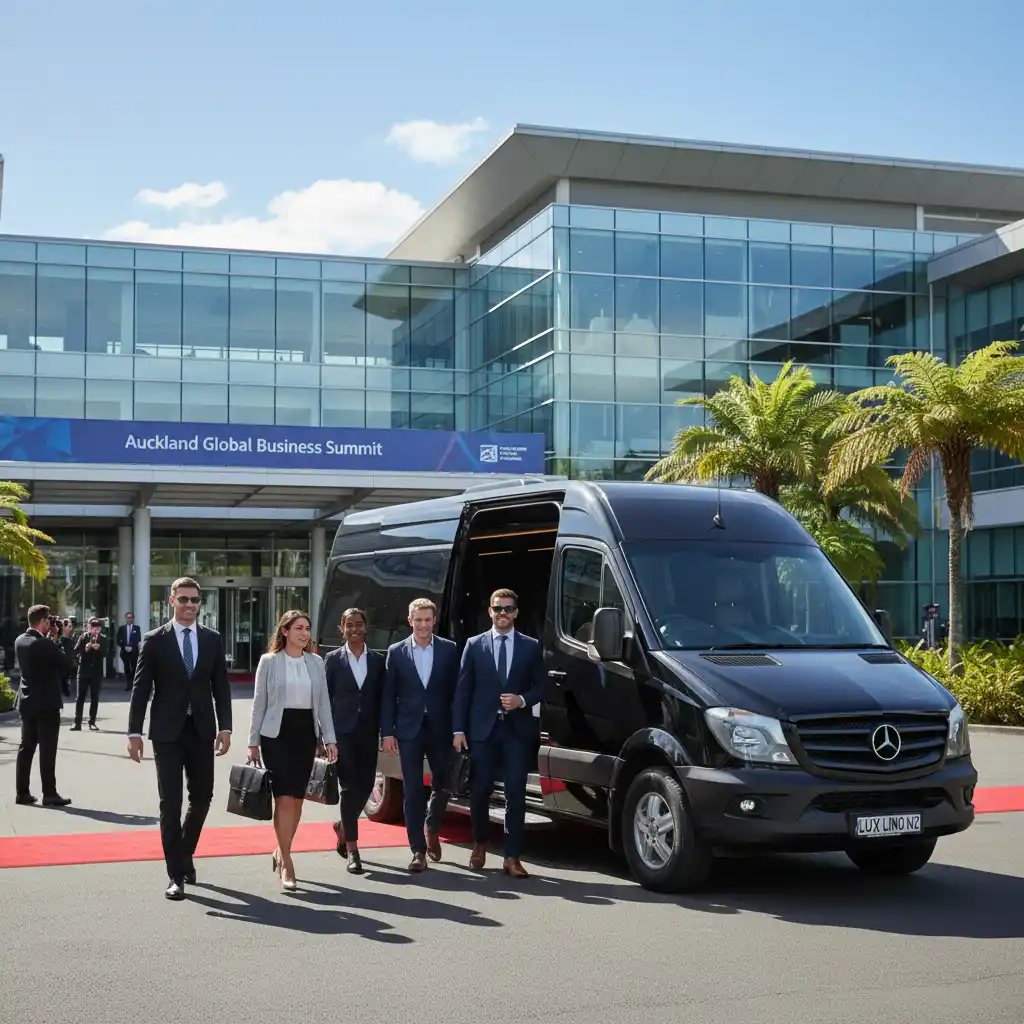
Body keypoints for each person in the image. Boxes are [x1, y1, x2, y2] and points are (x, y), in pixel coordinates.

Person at [127, 578, 232, 902]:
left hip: (201, 730)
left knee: (202, 797)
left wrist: (226, 728)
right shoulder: (154, 640)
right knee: (170, 804)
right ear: (172, 601)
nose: (189, 605)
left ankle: (184, 853)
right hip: (167, 733)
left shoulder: (212, 639)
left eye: (195, 600)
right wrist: (134, 733)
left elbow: (221, 687)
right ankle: (175, 875)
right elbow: (141, 688)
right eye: (183, 599)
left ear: (200, 603)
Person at [453, 589, 548, 878]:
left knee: (515, 793)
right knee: (480, 790)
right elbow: (463, 691)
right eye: (497, 608)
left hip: (517, 732)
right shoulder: (474, 645)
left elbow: (543, 686)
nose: (502, 613)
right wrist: (459, 730)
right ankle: (480, 844)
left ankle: (512, 856)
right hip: (482, 731)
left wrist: (522, 700)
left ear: (516, 613)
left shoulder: (531, 646)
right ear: (490, 612)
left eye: (508, 608)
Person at [248, 611, 337, 892]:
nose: (304, 633)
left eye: (307, 628)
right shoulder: (269, 661)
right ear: (285, 631)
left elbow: (323, 703)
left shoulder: (316, 662)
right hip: (276, 735)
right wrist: (252, 742)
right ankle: (287, 860)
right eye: (298, 628)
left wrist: (330, 739)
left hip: (305, 735)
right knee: (284, 799)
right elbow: (259, 703)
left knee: (297, 800)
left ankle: (280, 849)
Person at [381, 597, 459, 872]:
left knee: (444, 784)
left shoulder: (449, 649)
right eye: (418, 620)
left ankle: (432, 826)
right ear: (410, 621)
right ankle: (418, 850)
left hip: (441, 727)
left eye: (427, 619)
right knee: (413, 789)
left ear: (434, 621)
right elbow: (388, 695)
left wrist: (459, 729)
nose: (423, 625)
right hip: (409, 728)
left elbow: (458, 693)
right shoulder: (397, 652)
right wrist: (387, 732)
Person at [325, 607, 386, 873]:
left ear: (366, 627)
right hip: (342, 734)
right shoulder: (332, 659)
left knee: (367, 784)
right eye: (349, 624)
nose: (354, 629)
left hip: (369, 732)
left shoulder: (378, 660)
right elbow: (324, 700)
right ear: (342, 628)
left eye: (358, 624)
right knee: (349, 789)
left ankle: (343, 825)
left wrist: (386, 732)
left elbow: (383, 699)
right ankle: (352, 848)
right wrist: (325, 736)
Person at [14, 604, 74, 807]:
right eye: (49, 620)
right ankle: (49, 793)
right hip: (46, 704)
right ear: (43, 622)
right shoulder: (43, 644)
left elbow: (46, 661)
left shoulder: (20, 640)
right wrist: (64, 638)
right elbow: (68, 664)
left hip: (27, 701)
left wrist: (53, 639)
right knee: (47, 750)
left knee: (26, 748)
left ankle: (22, 793)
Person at [71, 618, 107, 731]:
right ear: (90, 628)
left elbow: (107, 653)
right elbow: (75, 651)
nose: (95, 631)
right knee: (80, 698)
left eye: (97, 629)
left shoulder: (103, 639)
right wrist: (86, 648)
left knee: (94, 697)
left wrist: (99, 649)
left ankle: (92, 722)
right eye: (93, 629)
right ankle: (77, 722)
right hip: (83, 671)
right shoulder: (84, 637)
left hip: (96, 672)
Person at [117, 612, 141, 692]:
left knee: (134, 668)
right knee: (127, 668)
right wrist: (124, 647)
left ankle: (135, 684)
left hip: (134, 651)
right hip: (125, 652)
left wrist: (132, 647)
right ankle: (128, 684)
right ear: (125, 619)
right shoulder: (122, 628)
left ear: (133, 619)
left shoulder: (137, 628)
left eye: (131, 618)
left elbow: (138, 639)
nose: (129, 619)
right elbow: (118, 640)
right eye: (128, 617)